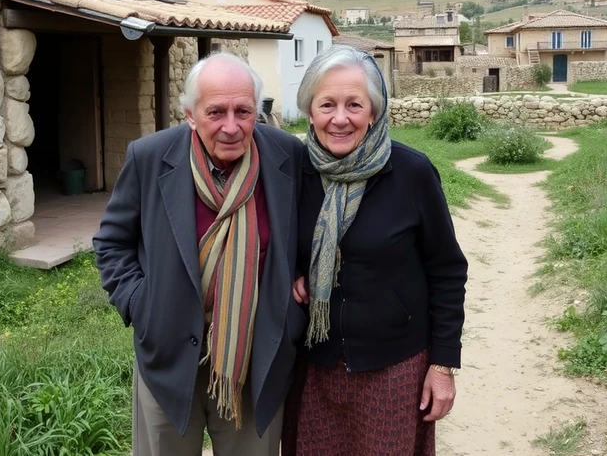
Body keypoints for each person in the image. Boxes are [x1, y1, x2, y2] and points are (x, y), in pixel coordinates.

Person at [93, 52, 307, 456]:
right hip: (169, 355)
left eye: (243, 111)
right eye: (216, 112)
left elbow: (310, 229)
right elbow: (111, 242)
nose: (231, 126)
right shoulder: (150, 158)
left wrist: (304, 277)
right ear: (190, 115)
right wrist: (142, 305)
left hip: (254, 355)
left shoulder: (286, 156)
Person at [285, 45, 468, 456]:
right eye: (327, 104)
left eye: (354, 104)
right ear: (310, 112)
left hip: (394, 367)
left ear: (374, 112)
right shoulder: (295, 173)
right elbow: (275, 241)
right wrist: (295, 271)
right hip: (315, 364)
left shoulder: (410, 172)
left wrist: (442, 366)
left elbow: (447, 271)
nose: (340, 118)